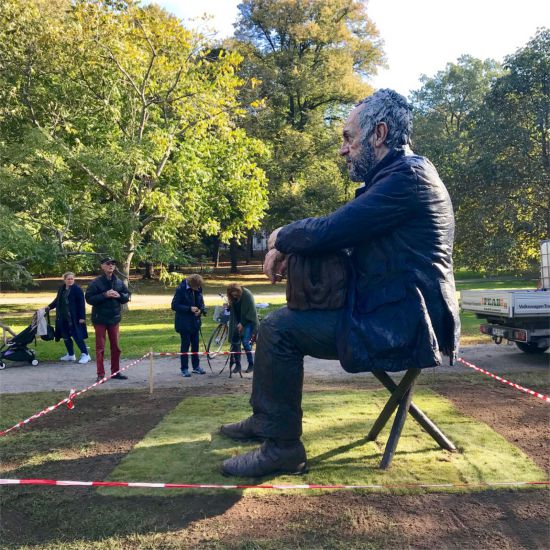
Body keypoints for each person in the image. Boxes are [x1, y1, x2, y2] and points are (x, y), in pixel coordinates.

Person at [219, 89, 460, 477]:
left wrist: (280, 237)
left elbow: (333, 229)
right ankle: (268, 422)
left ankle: (282, 447)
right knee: (279, 322)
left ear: (378, 134)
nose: (343, 150)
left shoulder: (408, 178)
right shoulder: (400, 176)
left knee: (279, 329)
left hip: (407, 323)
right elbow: (341, 229)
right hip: (393, 310)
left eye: (349, 138)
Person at [85, 257, 130, 382]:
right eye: (108, 264)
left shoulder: (119, 282)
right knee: (100, 348)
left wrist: (119, 295)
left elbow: (127, 296)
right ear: (102, 266)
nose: (111, 266)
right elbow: (89, 299)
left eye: (113, 264)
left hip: (114, 318)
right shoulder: (95, 283)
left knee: (116, 347)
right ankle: (100, 374)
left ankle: (115, 372)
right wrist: (104, 295)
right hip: (100, 319)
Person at [46, 272, 90, 364]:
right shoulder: (62, 288)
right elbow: (57, 300)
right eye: (68, 279)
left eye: (72, 279)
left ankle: (85, 354)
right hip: (62, 317)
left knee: (77, 336)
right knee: (65, 336)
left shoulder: (77, 290)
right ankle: (71, 355)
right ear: (64, 279)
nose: (70, 280)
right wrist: (49, 307)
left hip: (74, 318)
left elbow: (81, 304)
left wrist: (82, 317)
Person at [171, 274, 207, 377]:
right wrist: (189, 309)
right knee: (185, 346)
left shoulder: (198, 288)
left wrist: (200, 310)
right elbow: (174, 305)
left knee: (195, 345)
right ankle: (184, 368)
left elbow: (201, 303)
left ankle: (196, 367)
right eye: (196, 287)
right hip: (184, 323)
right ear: (191, 284)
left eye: (198, 287)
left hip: (195, 322)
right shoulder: (181, 289)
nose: (197, 289)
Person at [226, 283, 259, 375]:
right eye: (232, 294)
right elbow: (235, 308)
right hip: (237, 321)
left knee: (245, 342)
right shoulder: (233, 297)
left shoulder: (247, 295)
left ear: (239, 290)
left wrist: (242, 323)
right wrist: (229, 307)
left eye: (236, 293)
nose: (234, 295)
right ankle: (238, 365)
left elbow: (251, 311)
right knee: (235, 343)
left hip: (248, 322)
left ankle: (251, 364)